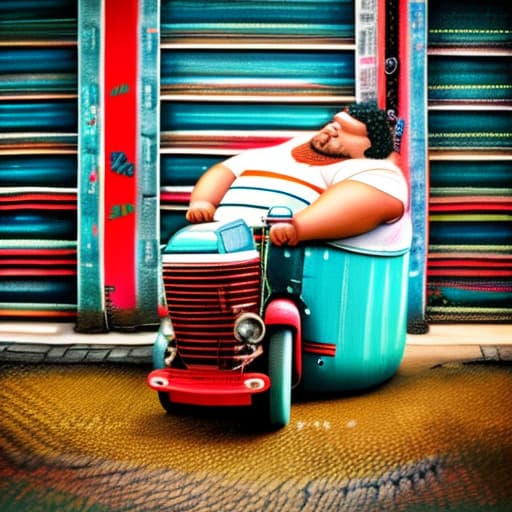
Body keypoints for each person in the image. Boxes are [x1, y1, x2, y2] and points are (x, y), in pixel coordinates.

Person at [185, 102, 410, 253]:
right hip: (215, 242)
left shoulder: (370, 169)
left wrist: (300, 227)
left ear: (369, 149)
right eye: (334, 124)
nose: (331, 130)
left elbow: (362, 200)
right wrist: (204, 200)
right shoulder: (287, 149)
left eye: (345, 132)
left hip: (271, 254)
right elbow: (227, 169)